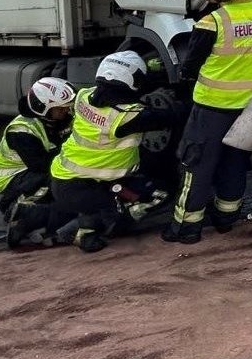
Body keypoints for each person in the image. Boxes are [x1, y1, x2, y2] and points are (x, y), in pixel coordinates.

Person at [163, 0, 252, 245]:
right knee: (235, 162)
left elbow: (190, 67)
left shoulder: (212, 21)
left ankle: (186, 228)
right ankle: (226, 219)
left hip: (213, 108)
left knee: (197, 164)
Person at [43, 51, 186, 253]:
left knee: (110, 198)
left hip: (67, 179)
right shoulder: (124, 118)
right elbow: (171, 115)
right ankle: (84, 231)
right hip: (83, 188)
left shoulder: (84, 96)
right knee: (157, 194)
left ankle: (85, 220)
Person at [0, 77, 76, 246]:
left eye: (67, 107)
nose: (66, 111)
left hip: (36, 167)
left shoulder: (57, 119)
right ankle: (14, 207)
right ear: (42, 107)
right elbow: (41, 165)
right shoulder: (21, 130)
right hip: (12, 175)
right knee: (55, 180)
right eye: (61, 108)